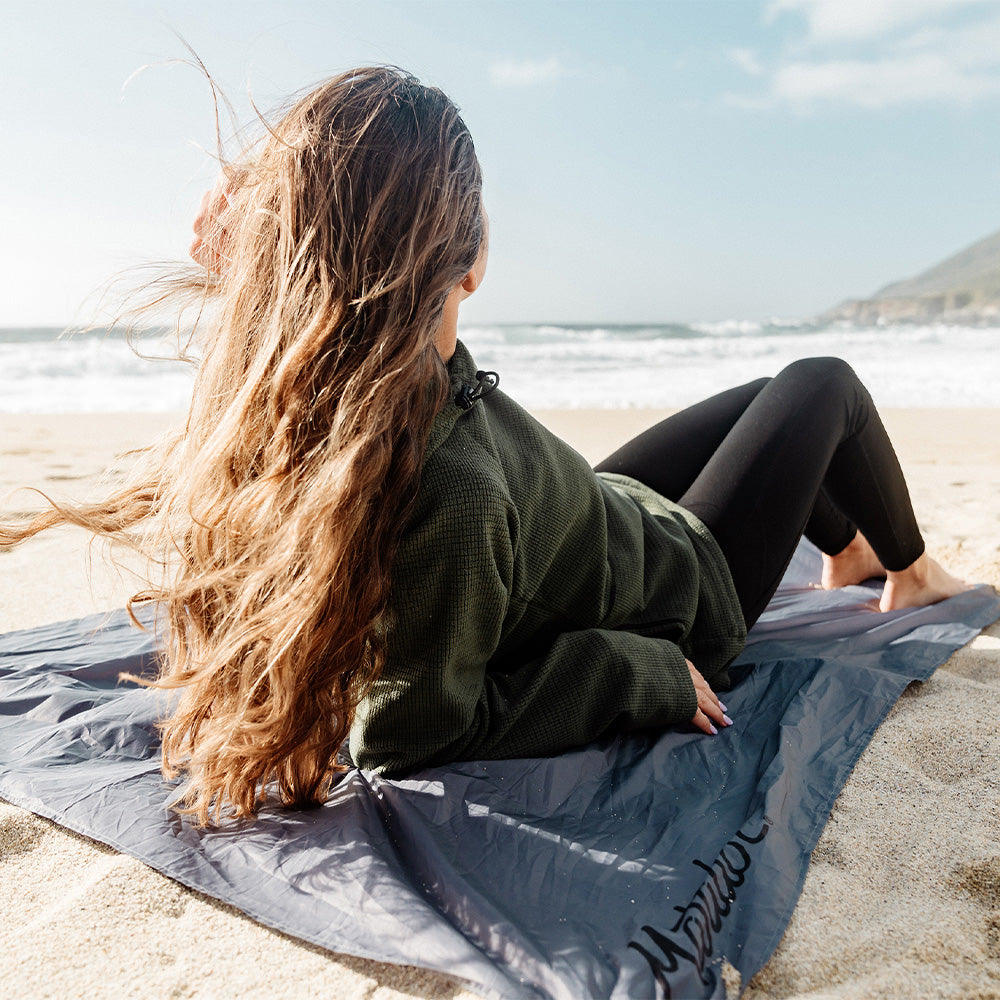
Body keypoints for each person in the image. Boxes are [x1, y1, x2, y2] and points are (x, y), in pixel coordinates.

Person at [1, 66, 967, 824]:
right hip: (682, 593)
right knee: (820, 383)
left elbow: (326, 280)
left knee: (766, 400)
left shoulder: (339, 382)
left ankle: (846, 552)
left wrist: (259, 229)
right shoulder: (452, 491)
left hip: (578, 517)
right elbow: (411, 731)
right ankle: (909, 573)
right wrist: (635, 674)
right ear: (468, 265)